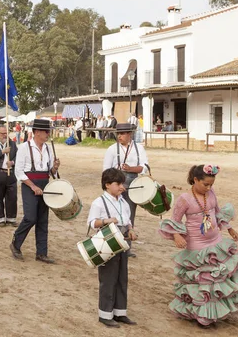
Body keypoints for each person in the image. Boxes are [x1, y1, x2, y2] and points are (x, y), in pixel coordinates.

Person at [159, 164, 238, 327]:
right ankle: (201, 315)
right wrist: (177, 236)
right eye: (205, 184)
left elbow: (218, 213)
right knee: (203, 281)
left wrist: (230, 229)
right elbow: (174, 220)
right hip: (196, 245)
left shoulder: (210, 193)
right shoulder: (185, 198)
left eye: (211, 184)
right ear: (195, 180)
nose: (209, 187)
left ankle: (213, 313)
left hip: (216, 241)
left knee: (216, 279)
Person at [87, 168, 138, 328]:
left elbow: (127, 220)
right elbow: (91, 223)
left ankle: (120, 312)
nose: (122, 187)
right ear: (108, 184)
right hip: (107, 244)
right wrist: (106, 221)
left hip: (122, 243)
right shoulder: (98, 202)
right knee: (108, 279)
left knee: (122, 278)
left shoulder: (123, 202)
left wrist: (131, 230)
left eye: (122, 184)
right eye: (118, 184)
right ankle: (105, 314)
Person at [10, 119, 60, 263]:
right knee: (30, 217)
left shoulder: (48, 148)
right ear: (37, 132)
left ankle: (41, 253)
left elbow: (50, 171)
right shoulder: (24, 147)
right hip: (29, 184)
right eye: (46, 132)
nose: (48, 134)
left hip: (45, 183)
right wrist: (33, 186)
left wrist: (55, 167)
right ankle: (15, 243)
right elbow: (19, 172)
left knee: (43, 220)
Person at [102, 123, 149, 257]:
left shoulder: (139, 148)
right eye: (118, 133)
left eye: (122, 134)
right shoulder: (111, 149)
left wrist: (130, 169)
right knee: (112, 215)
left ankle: (126, 248)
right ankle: (112, 245)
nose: (119, 136)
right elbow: (105, 170)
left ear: (130, 134)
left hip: (133, 184)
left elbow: (144, 167)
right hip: (115, 184)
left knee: (129, 216)